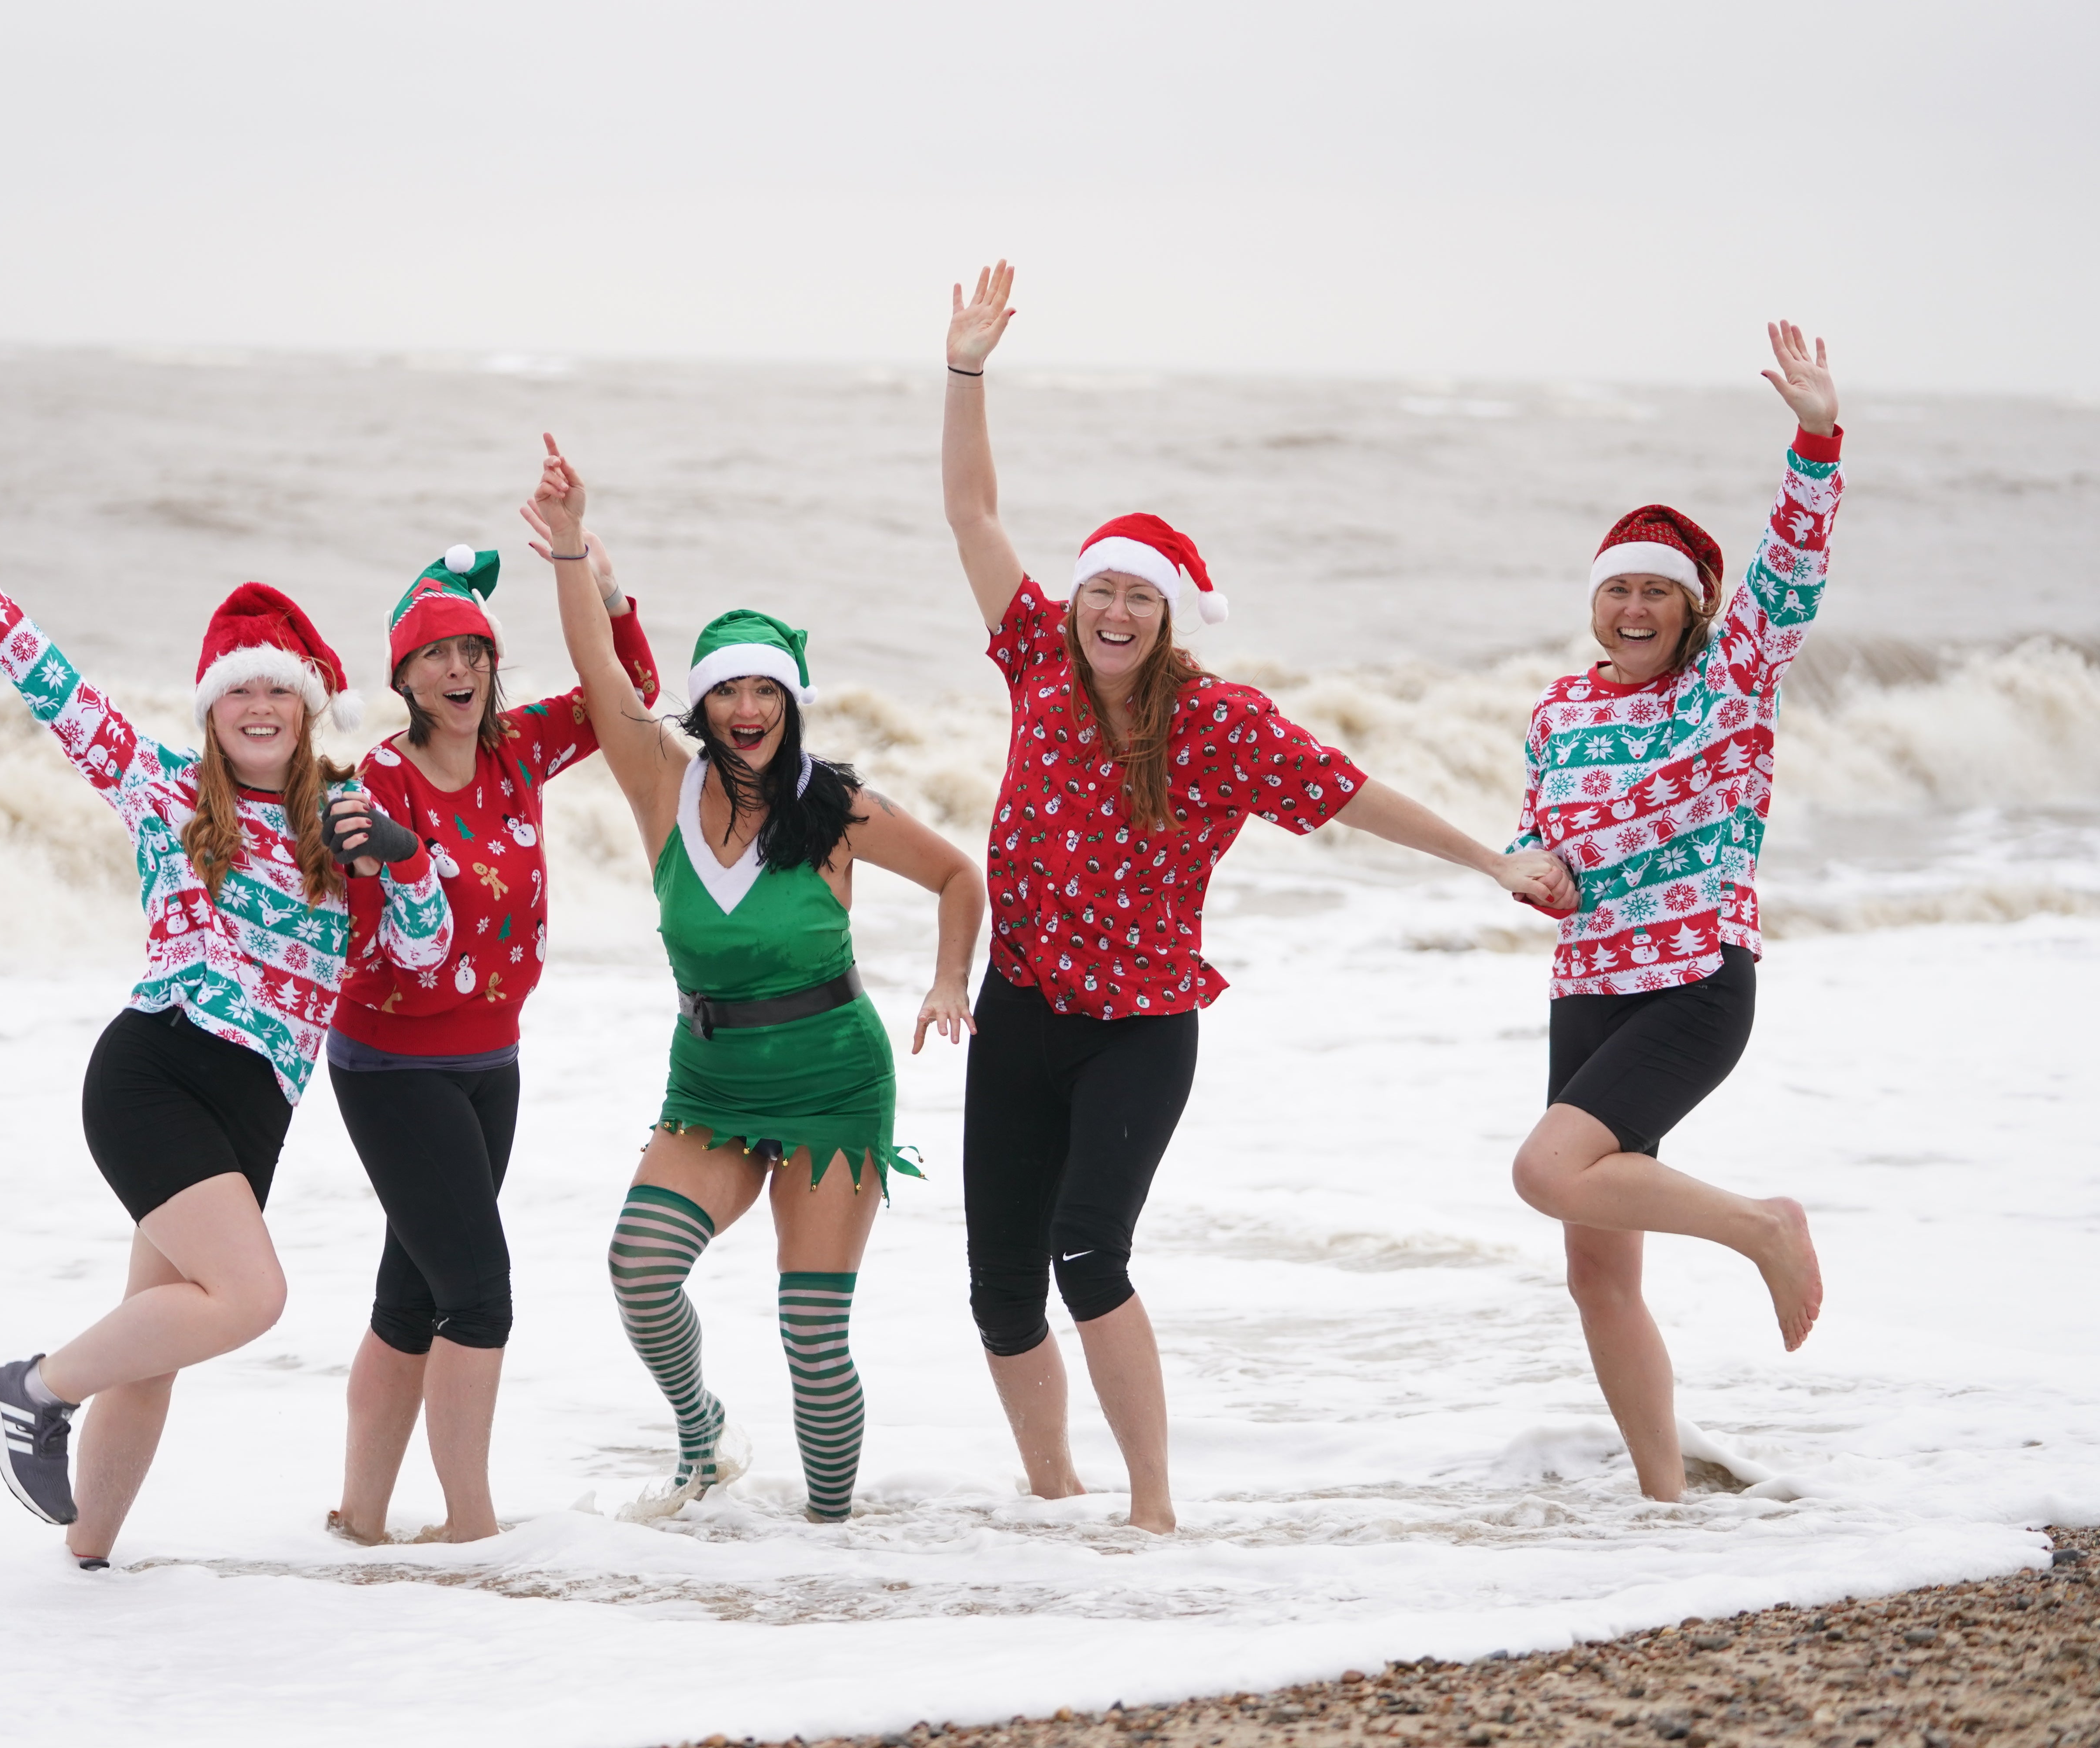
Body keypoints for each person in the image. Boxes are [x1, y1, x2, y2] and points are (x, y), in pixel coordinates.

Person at [939, 262, 1576, 1533]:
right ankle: (1053, 1494)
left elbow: (1359, 795)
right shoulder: (1034, 662)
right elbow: (970, 509)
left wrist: (1494, 861)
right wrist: (965, 371)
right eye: (1100, 589)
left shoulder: (1221, 724)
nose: (1113, 609)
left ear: (1171, 619)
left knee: (1086, 1255)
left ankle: (1154, 1509)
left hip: (1138, 1027)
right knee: (1000, 1288)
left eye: (1139, 596)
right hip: (1019, 1014)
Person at [0, 483, 409, 1568]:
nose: (258, 706)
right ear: (210, 710)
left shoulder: (344, 828)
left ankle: (87, 1562)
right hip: (159, 1072)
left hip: (258, 1113)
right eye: (237, 689)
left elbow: (425, 945)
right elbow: (51, 688)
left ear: (306, 711)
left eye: (278, 691)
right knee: (250, 1297)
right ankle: (28, 1387)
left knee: (155, 1341)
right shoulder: (162, 793)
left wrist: (404, 856)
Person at [524, 435, 984, 1524]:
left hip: (833, 1077)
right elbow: (598, 672)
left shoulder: (837, 806)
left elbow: (962, 875)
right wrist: (572, 548)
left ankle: (829, 1538)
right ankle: (702, 1438)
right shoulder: (661, 784)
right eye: (725, 688)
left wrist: (949, 980)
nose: (744, 707)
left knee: (812, 1332)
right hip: (714, 1079)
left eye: (763, 689)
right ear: (703, 701)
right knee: (641, 1265)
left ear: (791, 702)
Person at [1504, 323, 1841, 1501]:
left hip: (1695, 979)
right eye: (1619, 591)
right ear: (1595, 606)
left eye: (1658, 591)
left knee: (1546, 1171)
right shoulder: (1554, 710)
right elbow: (1538, 830)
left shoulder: (1730, 682)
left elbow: (1789, 573)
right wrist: (1526, 864)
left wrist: (1813, 438)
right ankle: (1663, 1498)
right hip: (1587, 990)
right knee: (1596, 1272)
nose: (1636, 608)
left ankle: (1762, 1228)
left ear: (1692, 608)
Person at [319, 540, 661, 1545]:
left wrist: (603, 587)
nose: (459, 670)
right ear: (404, 675)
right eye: (436, 655)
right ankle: (471, 1522)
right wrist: (404, 854)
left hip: (491, 1061)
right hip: (393, 1064)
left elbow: (628, 692)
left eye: (473, 650)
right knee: (478, 1293)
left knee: (411, 1288)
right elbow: (405, 952)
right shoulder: (378, 782)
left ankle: (362, 1519)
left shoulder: (517, 748)